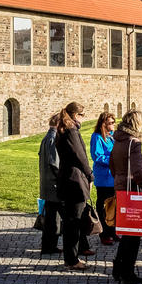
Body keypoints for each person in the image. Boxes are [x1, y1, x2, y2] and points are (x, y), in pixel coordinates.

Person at [110, 110, 142, 284]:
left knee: (126, 232)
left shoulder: (118, 140)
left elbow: (111, 164)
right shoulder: (134, 143)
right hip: (132, 188)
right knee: (133, 234)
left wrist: (118, 178)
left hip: (120, 185)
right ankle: (127, 271)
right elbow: (137, 171)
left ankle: (118, 267)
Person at [55, 101, 94, 270]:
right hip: (74, 180)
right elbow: (80, 156)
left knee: (72, 221)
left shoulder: (64, 129)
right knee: (74, 222)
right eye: (81, 115)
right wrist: (90, 175)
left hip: (67, 178)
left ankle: (71, 257)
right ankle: (72, 259)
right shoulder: (71, 130)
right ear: (76, 115)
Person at [90, 111, 118, 245]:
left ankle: (113, 230)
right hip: (103, 177)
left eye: (114, 122)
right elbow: (98, 156)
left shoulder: (112, 137)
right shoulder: (97, 137)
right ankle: (104, 233)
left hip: (114, 177)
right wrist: (114, 159)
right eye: (111, 122)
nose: (113, 125)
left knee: (114, 206)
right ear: (104, 124)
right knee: (104, 206)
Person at [38, 113, 62, 255]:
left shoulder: (46, 138)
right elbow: (55, 164)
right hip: (53, 185)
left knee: (52, 217)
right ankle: (49, 246)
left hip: (47, 184)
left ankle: (49, 246)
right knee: (53, 218)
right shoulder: (53, 138)